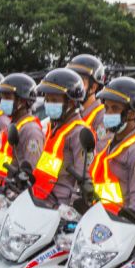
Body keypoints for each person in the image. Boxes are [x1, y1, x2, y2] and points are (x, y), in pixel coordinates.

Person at [89, 76, 135, 226]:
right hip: (101, 227)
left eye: (115, 108)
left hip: (122, 234)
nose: (108, 113)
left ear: (132, 114)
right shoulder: (110, 146)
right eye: (106, 108)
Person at [31, 68, 94, 206]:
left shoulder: (79, 133)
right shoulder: (54, 128)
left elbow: (84, 181)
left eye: (54, 100)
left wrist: (70, 211)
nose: (48, 104)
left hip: (60, 207)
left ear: (71, 103)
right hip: (41, 200)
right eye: (47, 99)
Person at [0, 72, 45, 185]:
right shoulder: (12, 126)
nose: (2, 101)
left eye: (8, 97)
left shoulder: (30, 131)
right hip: (1, 191)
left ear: (22, 101)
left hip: (14, 195)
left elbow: (30, 173)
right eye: (2, 97)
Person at [68, 54, 109, 131]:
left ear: (93, 87)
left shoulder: (103, 118)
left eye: (80, 82)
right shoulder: (72, 113)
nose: (74, 87)